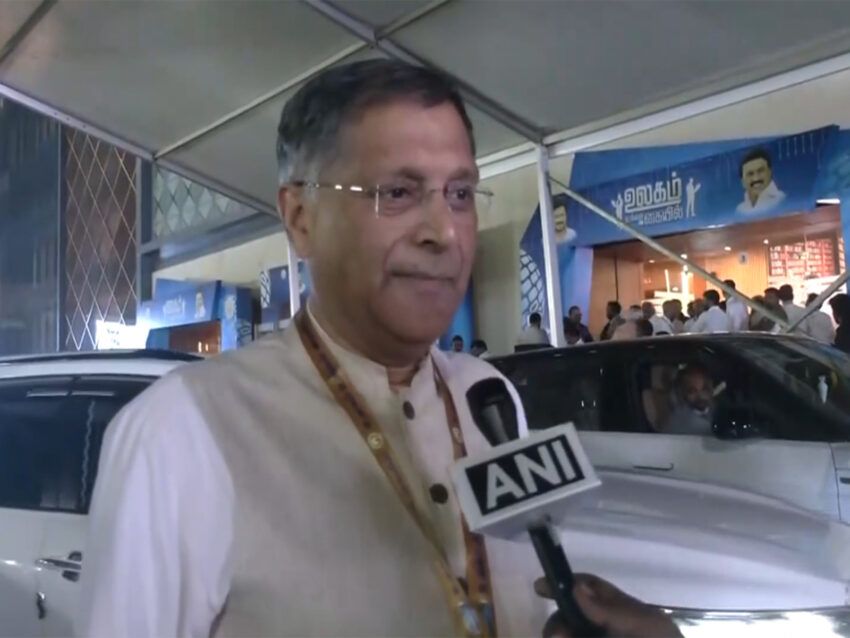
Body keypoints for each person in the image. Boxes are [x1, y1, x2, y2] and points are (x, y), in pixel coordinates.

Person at [77, 59, 674, 638]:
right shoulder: (182, 431)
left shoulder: (487, 398)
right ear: (301, 218)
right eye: (398, 192)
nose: (443, 232)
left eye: (460, 193)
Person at [662, 364, 715, 435]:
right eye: (692, 391)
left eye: (704, 389)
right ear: (683, 393)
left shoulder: (716, 410)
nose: (700, 396)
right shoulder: (679, 420)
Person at [736, 148, 786, 213]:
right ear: (743, 181)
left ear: (770, 172)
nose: (756, 178)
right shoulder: (740, 209)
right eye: (750, 174)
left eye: (760, 171)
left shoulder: (781, 200)